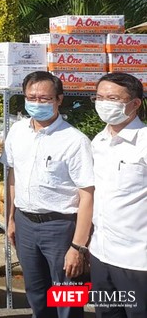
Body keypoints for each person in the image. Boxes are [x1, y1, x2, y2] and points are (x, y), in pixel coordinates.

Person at [5, 72, 94, 318]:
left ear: (59, 100)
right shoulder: (17, 132)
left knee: (66, 296)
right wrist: (11, 219)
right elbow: (14, 176)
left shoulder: (74, 141)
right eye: (31, 97)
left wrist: (78, 245)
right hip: (25, 224)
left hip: (60, 227)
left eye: (45, 98)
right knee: (36, 293)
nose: (37, 103)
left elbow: (87, 195)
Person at [88, 72, 146, 318]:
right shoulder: (97, 142)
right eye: (99, 97)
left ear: (135, 104)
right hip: (101, 254)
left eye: (112, 98)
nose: (104, 103)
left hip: (138, 261)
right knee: (107, 313)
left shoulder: (144, 142)